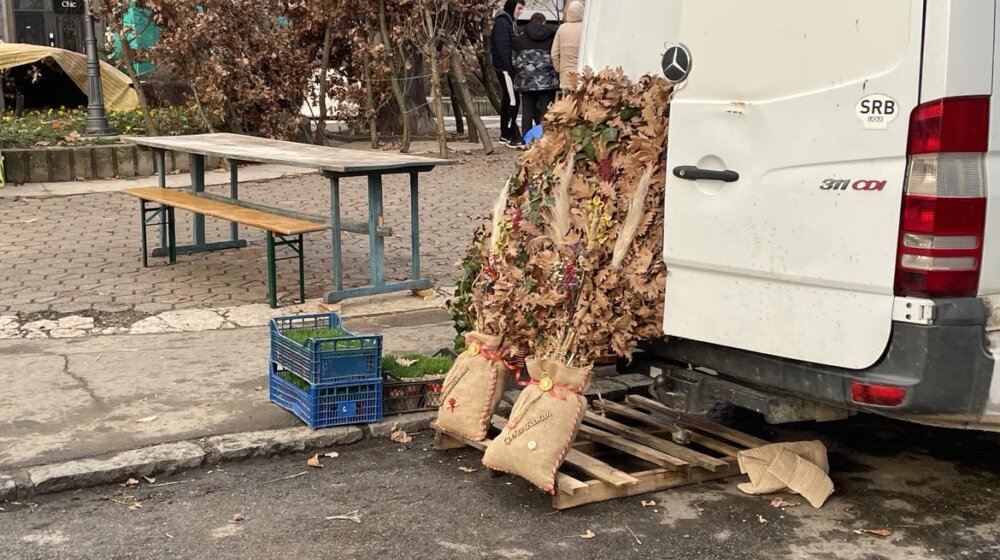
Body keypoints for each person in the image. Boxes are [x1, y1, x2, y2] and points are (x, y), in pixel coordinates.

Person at [512, 12, 559, 140]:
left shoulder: (519, 39)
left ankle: (526, 141)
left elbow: (513, 61)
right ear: (544, 22)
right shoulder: (553, 37)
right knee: (547, 112)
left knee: (527, 113)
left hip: (526, 82)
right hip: (547, 82)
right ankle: (547, 140)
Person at [490, 0, 525, 146]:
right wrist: (509, 68)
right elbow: (503, 48)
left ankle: (506, 132)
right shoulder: (503, 23)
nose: (520, 11)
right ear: (512, 7)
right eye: (519, 8)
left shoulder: (508, 22)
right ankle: (508, 133)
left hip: (506, 68)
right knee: (513, 100)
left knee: (508, 100)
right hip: (505, 68)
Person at [552, 0, 584, 92]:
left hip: (566, 75)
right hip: (583, 75)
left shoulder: (562, 28)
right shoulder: (586, 28)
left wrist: (560, 69)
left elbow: (554, 53)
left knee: (567, 103)